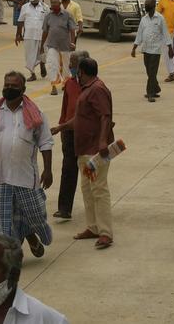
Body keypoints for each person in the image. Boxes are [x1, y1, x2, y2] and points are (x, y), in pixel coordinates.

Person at [0, 73, 54, 258]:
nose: (9, 88)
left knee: (35, 215)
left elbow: (45, 143)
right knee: (3, 224)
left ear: (23, 89)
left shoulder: (35, 113)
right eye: (6, 85)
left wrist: (48, 170)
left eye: (14, 86)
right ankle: (10, 258)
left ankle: (32, 234)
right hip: (0, 178)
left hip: (26, 177)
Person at [51, 57, 113, 249]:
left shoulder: (97, 89)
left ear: (82, 72)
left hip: (95, 150)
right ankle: (93, 227)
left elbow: (105, 116)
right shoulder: (87, 89)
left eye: (77, 71)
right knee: (87, 189)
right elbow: (79, 118)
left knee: (99, 189)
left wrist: (102, 141)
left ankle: (105, 232)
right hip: (84, 149)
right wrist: (61, 127)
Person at [54, 51, 87, 220]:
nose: (70, 67)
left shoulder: (93, 86)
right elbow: (65, 107)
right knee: (68, 170)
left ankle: (94, 208)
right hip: (69, 132)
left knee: (89, 171)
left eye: (73, 65)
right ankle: (64, 209)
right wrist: (62, 126)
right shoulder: (69, 84)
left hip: (86, 134)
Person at [131, 0, 171, 102]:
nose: (146, 7)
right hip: (146, 49)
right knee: (149, 71)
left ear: (153, 6)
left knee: (152, 72)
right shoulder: (144, 19)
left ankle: (150, 93)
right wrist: (134, 48)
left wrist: (170, 48)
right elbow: (139, 34)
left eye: (148, 5)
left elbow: (166, 33)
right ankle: (156, 88)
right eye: (145, 5)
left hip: (155, 50)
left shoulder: (160, 18)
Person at [40, 0, 77, 96]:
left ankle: (66, 83)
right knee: (52, 64)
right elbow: (45, 31)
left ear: (60, 4)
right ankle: (54, 86)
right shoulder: (48, 16)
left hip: (65, 45)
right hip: (52, 45)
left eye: (55, 3)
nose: (53, 5)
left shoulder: (67, 15)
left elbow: (72, 30)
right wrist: (41, 45)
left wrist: (73, 43)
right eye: (52, 3)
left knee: (66, 66)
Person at [16, 0, 49, 81]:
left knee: (44, 53)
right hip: (29, 35)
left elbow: (49, 21)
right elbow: (20, 21)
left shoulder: (45, 7)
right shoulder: (25, 7)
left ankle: (42, 63)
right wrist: (18, 34)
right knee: (29, 55)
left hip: (42, 35)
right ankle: (32, 73)